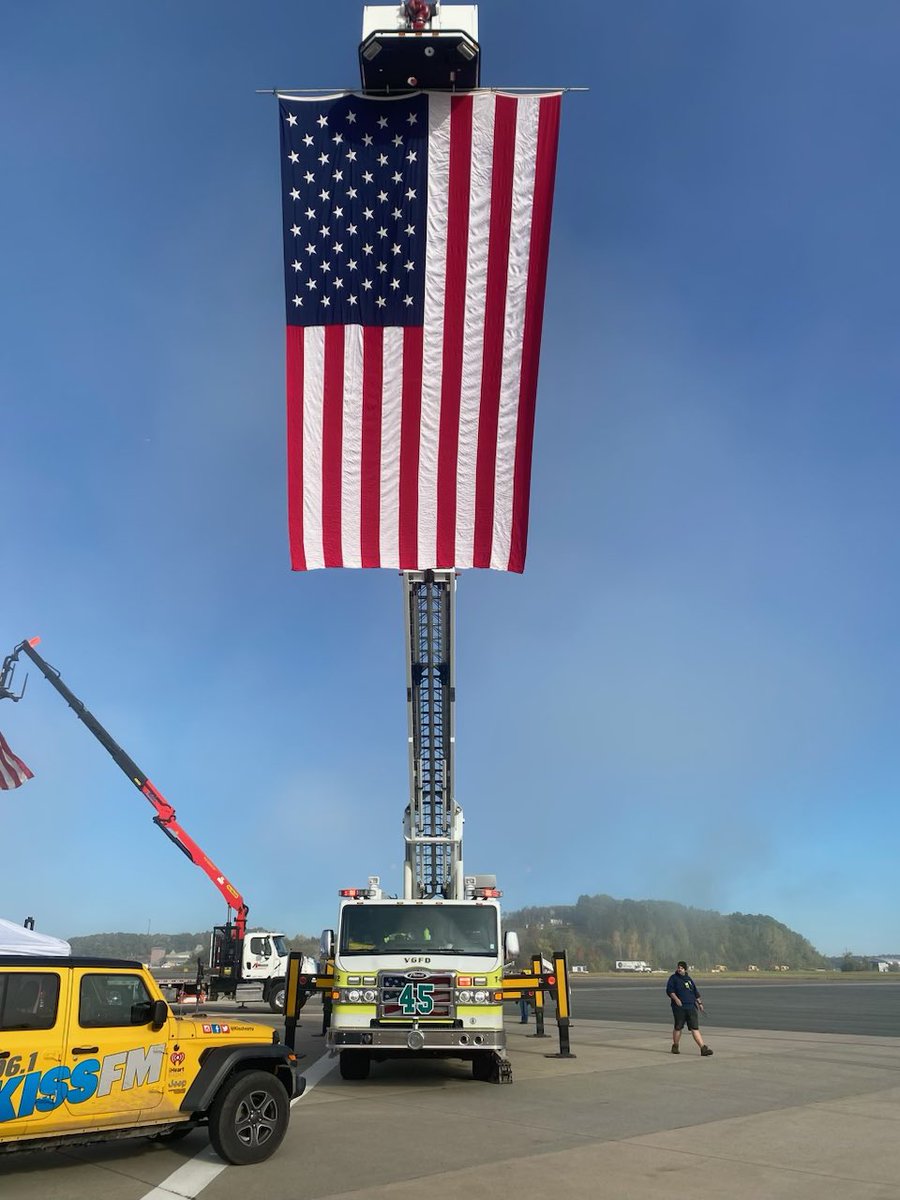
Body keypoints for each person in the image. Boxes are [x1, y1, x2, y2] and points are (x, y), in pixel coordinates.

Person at [666, 960, 713, 1056]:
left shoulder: (688, 979)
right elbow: (670, 990)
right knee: (678, 1027)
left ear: (685, 969)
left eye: (681, 968)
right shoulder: (673, 978)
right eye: (678, 967)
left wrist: (699, 1003)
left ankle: (703, 1048)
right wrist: (676, 999)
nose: (679, 969)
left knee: (694, 1028)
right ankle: (675, 1046)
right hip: (679, 1007)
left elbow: (695, 992)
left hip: (691, 1006)